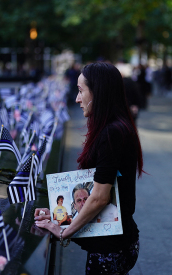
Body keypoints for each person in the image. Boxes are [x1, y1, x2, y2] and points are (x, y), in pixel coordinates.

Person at [35, 62, 144, 274]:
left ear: (98, 92)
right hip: (120, 241)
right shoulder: (117, 128)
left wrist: (63, 232)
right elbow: (94, 192)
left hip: (111, 248)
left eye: (80, 90)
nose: (76, 99)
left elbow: (100, 197)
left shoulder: (111, 133)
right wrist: (59, 215)